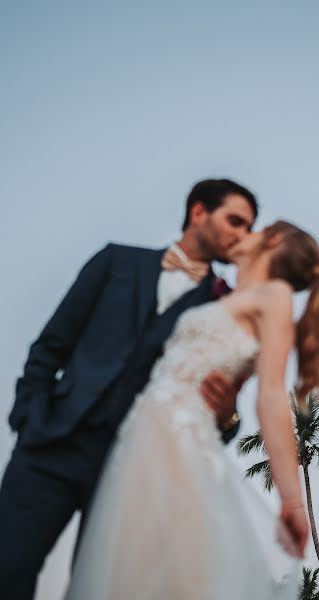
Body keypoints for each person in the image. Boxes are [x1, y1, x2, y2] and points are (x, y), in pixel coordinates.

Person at [0, 179, 258, 600]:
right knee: (6, 569)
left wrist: (227, 413)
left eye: (248, 228)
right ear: (198, 212)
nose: (241, 236)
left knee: (99, 591)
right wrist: (29, 417)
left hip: (132, 472)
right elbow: (52, 345)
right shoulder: (116, 261)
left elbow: (219, 421)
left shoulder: (224, 307)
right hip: (51, 444)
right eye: (235, 221)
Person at [66, 220, 319, 600]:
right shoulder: (226, 299)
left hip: (178, 440)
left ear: (271, 242)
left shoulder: (274, 295)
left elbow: (271, 395)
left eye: (255, 228)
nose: (243, 233)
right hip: (140, 437)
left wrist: (290, 499)